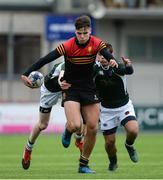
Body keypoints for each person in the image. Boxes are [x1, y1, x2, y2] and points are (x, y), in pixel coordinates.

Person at [21, 15, 118, 174]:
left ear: (90, 31)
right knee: (50, 125)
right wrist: (25, 73)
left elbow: (106, 53)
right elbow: (45, 60)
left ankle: (83, 164)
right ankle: (29, 148)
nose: (82, 36)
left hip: (86, 88)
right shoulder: (67, 46)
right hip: (58, 88)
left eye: (85, 33)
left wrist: (113, 60)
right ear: (75, 32)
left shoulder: (96, 43)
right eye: (79, 33)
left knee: (92, 126)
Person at [94, 43, 139, 171]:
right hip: (106, 110)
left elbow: (129, 71)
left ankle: (129, 145)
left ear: (111, 55)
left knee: (133, 130)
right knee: (109, 143)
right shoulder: (94, 70)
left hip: (124, 106)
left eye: (105, 55)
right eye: (100, 55)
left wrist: (128, 64)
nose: (102, 57)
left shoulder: (117, 66)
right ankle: (113, 162)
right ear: (97, 56)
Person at [22, 62, 72, 170]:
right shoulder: (68, 63)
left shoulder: (86, 63)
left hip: (68, 89)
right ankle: (28, 148)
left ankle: (79, 141)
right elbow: (62, 76)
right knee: (42, 125)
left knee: (77, 116)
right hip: (50, 90)